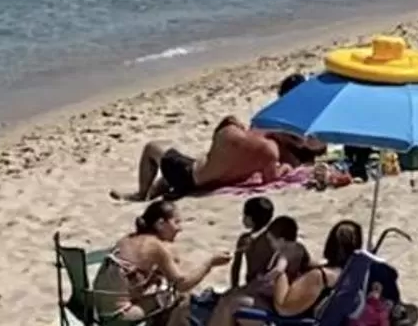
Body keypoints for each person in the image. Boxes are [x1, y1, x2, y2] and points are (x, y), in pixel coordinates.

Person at [90, 200, 230, 326]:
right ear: (160, 224)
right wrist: (210, 263)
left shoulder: (128, 239)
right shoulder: (155, 247)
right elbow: (182, 284)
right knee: (180, 297)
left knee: (162, 290)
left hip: (98, 310)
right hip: (119, 316)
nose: (179, 228)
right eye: (176, 222)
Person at [113, 117, 287, 202]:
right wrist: (284, 168)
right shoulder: (269, 152)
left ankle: (141, 193)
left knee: (151, 148)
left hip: (189, 176)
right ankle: (153, 193)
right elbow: (270, 180)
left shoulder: (230, 133)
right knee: (169, 174)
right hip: (207, 183)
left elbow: (221, 132)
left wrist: (232, 123)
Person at [205, 198, 281, 326]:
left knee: (226, 301)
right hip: (266, 289)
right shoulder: (273, 239)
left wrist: (234, 287)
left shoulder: (246, 240)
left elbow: (236, 267)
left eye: (245, 215)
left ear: (250, 219)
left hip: (256, 287)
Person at [267, 220, 361, 319]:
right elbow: (312, 263)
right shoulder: (352, 274)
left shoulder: (319, 277)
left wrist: (281, 273)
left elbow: (283, 308)